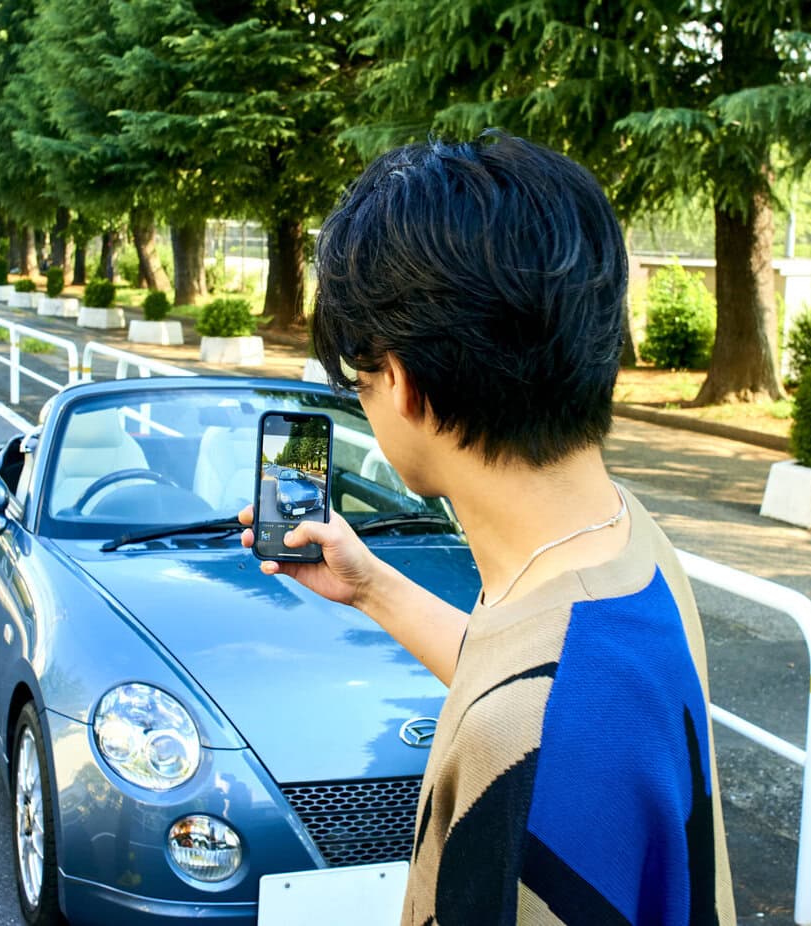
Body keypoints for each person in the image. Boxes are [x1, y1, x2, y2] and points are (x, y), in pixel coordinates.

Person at [241, 132, 736, 924]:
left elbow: (531, 712)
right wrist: (371, 588)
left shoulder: (528, 755)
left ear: (397, 380)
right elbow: (527, 668)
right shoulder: (628, 545)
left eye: (359, 377)